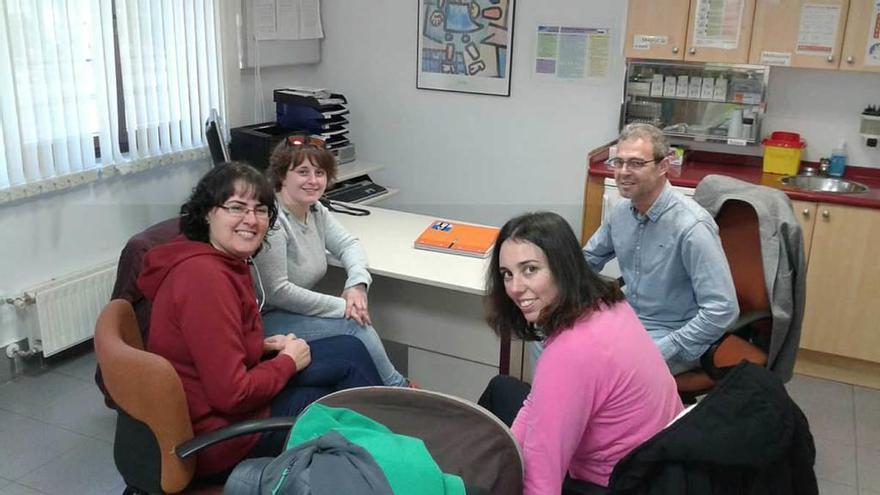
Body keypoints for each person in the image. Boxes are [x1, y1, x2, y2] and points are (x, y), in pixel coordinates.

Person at [138, 162, 382, 478]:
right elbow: (232, 395)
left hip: (227, 404)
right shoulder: (204, 280)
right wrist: (287, 363)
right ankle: (385, 460)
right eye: (236, 208)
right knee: (339, 408)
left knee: (349, 350)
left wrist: (259, 346)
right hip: (224, 437)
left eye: (261, 210)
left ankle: (385, 441)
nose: (251, 220)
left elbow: (211, 346)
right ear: (208, 213)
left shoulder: (214, 259)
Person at [478, 212, 683, 494]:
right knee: (501, 391)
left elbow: (542, 483)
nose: (514, 288)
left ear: (562, 267)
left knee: (493, 431)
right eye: (507, 274)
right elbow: (538, 402)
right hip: (658, 466)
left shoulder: (569, 354)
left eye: (530, 270)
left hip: (611, 484)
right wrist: (511, 448)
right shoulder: (608, 303)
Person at [253, 135, 408, 387]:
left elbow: (349, 244)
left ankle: (390, 394)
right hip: (267, 320)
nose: (313, 181)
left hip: (293, 312)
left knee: (355, 319)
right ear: (282, 175)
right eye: (303, 172)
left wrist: (356, 284)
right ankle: (399, 390)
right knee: (354, 326)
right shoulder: (273, 222)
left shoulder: (314, 210)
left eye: (320, 172)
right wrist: (343, 307)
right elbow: (277, 292)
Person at [583, 123, 739, 374]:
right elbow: (588, 259)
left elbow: (723, 309)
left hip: (676, 333)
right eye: (618, 162)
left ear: (663, 166)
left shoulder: (691, 226)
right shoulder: (622, 212)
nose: (623, 172)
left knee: (604, 370)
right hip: (631, 319)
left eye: (635, 163)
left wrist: (667, 346)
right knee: (553, 341)